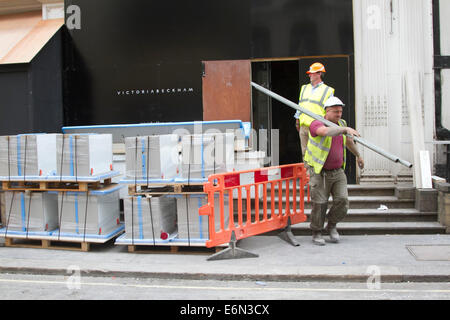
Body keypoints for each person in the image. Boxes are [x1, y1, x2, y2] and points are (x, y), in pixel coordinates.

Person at [304, 96, 364, 246]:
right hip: (319, 172)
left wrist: (358, 156)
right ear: (327, 111)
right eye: (336, 111)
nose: (339, 114)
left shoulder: (342, 124)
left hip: (338, 172)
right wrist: (344, 129)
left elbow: (349, 141)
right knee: (319, 203)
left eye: (340, 111)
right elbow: (324, 132)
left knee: (342, 201)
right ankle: (317, 231)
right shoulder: (316, 123)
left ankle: (331, 225)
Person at [295, 62, 335, 158]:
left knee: (316, 154)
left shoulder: (328, 90)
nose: (309, 75)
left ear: (319, 74)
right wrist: (297, 121)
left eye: (312, 73)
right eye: (309, 73)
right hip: (303, 126)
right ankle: (308, 173)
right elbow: (300, 105)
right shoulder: (304, 88)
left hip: (317, 127)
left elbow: (330, 111)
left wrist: (326, 126)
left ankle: (317, 173)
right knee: (305, 154)